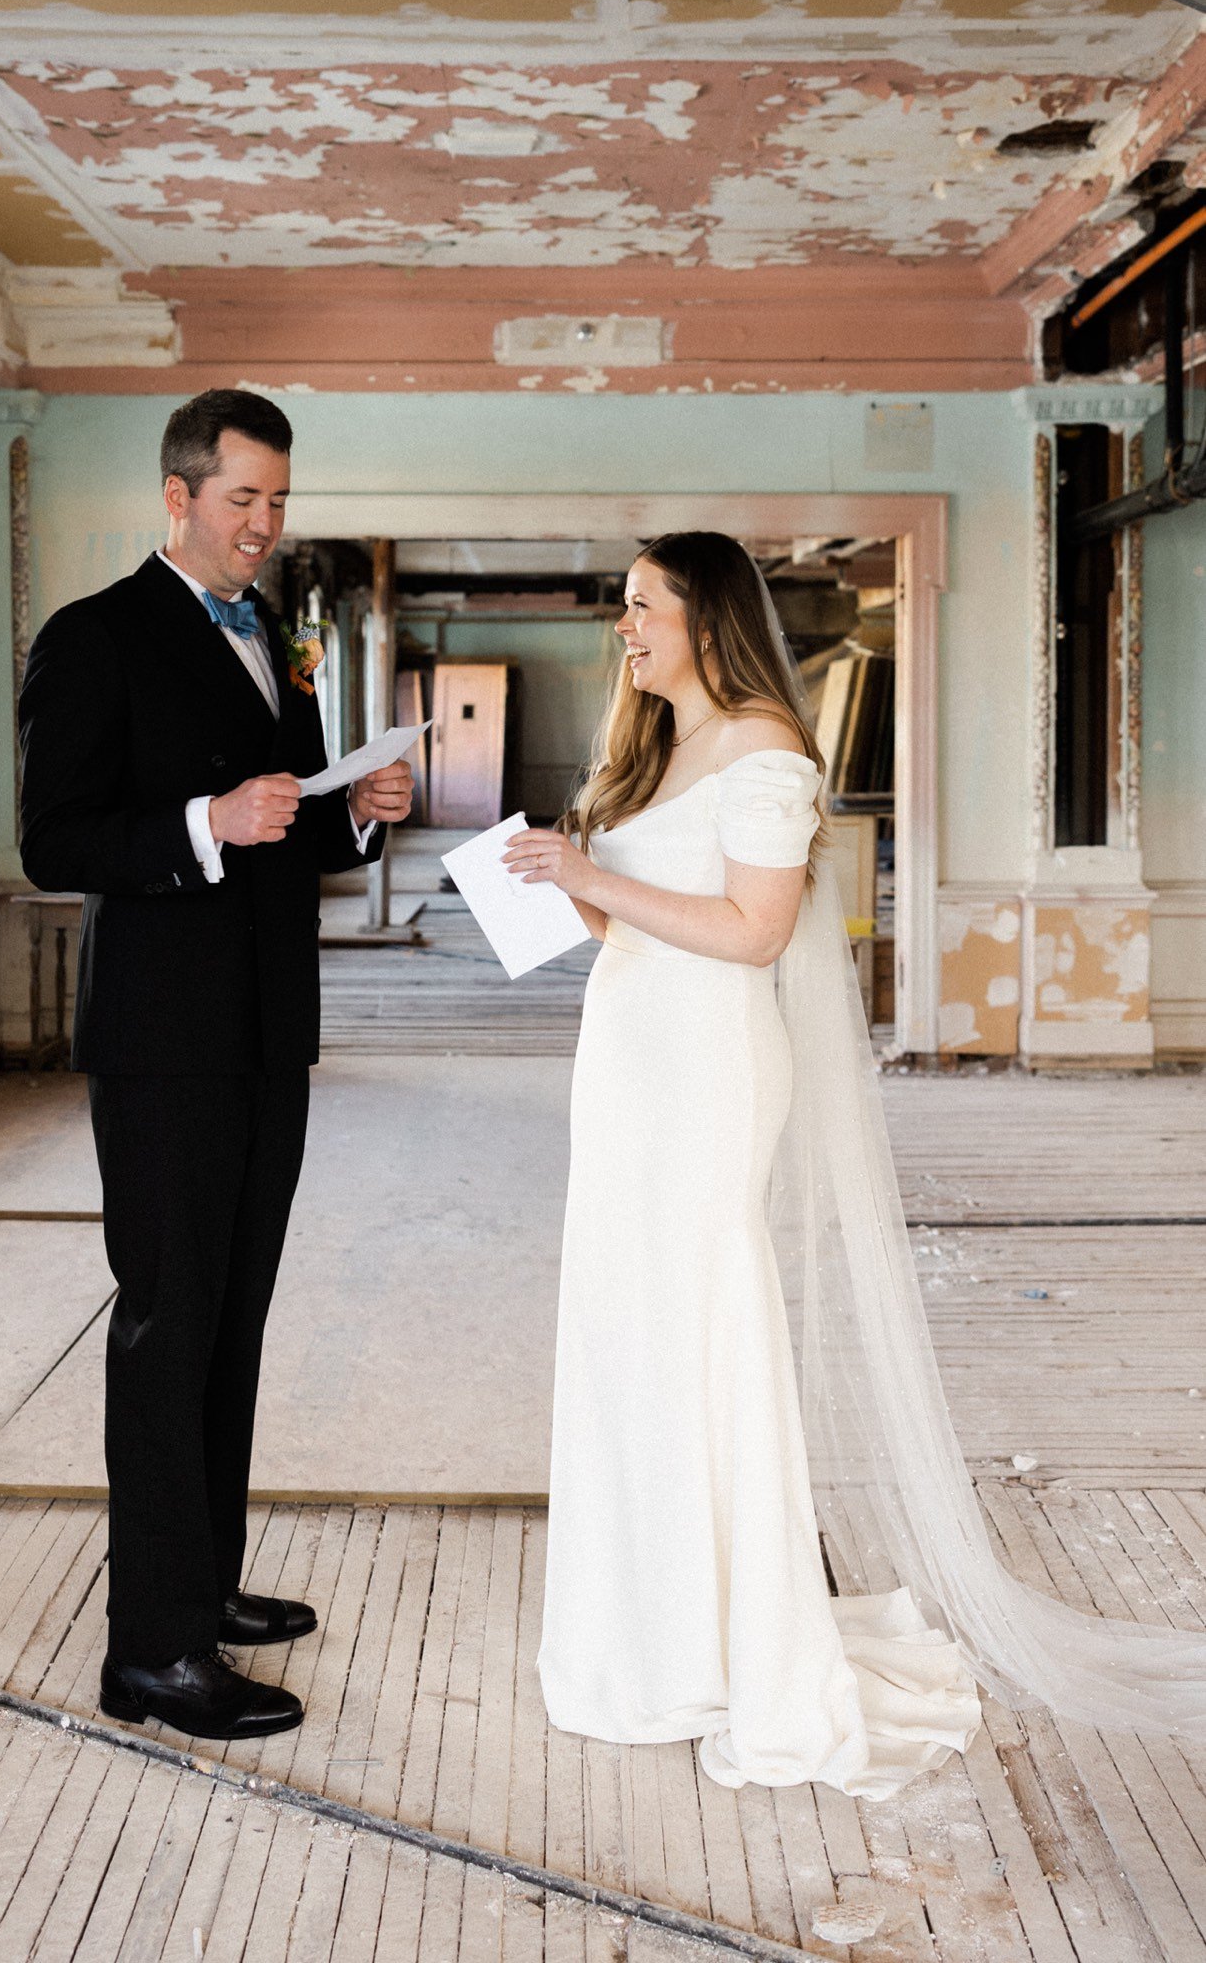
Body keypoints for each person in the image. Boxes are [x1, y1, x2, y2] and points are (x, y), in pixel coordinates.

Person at [505, 529, 1205, 1798]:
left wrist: (593, 869)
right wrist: (564, 888)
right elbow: (639, 918)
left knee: (701, 1328)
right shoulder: (657, 747)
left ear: (706, 617)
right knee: (625, 1336)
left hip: (709, 1075)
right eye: (624, 608)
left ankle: (733, 1641)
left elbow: (752, 929)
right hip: (626, 1070)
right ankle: (645, 1631)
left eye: (642, 607)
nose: (626, 628)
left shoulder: (769, 746)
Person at [18, 389, 413, 1743]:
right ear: (178, 497)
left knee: (234, 1322)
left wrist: (351, 818)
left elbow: (280, 832)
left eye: (281, 502)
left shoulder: (274, 644)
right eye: (245, 500)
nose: (267, 525)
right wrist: (200, 817)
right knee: (167, 1323)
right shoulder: (93, 639)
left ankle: (205, 1582)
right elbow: (56, 842)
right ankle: (153, 1654)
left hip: (266, 1038)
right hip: (162, 1047)